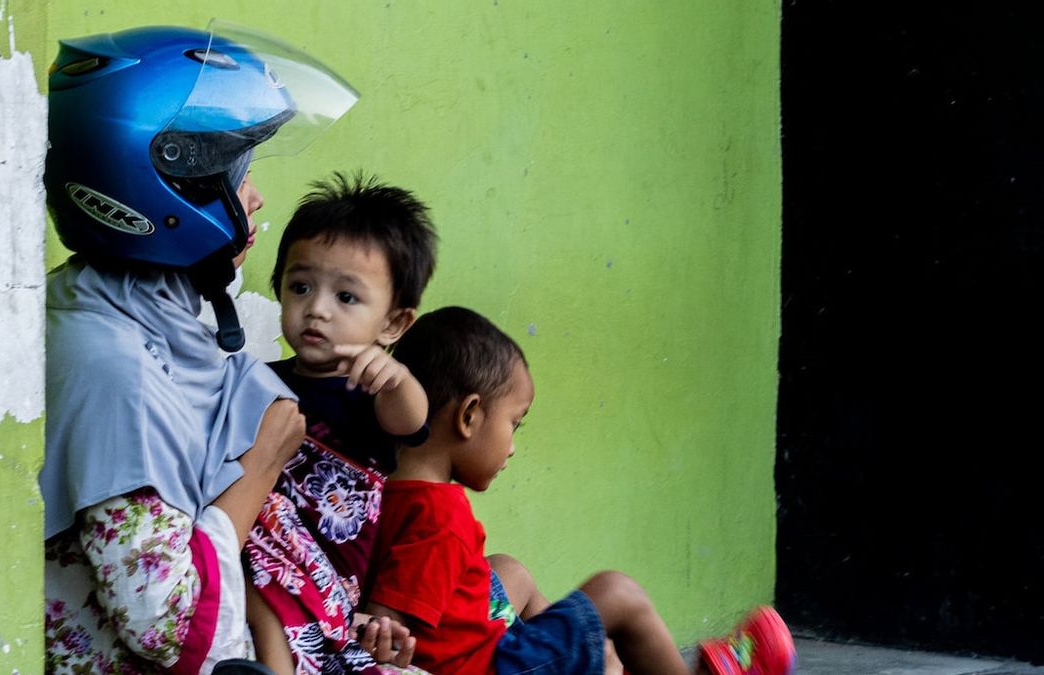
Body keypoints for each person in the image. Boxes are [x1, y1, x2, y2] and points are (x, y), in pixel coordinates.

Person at [39, 23, 359, 674]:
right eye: (237, 174)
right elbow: (172, 628)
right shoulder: (110, 363)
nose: (256, 196)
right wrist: (258, 468)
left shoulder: (142, 308)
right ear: (169, 190)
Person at [364, 307, 799, 675]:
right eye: (513, 425)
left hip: (472, 644)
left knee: (508, 569)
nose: (512, 447)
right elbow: (392, 619)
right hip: (492, 666)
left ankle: (589, 656)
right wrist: (382, 632)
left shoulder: (386, 486)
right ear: (469, 416)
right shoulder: (439, 516)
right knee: (618, 592)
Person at [243, 172, 438, 675]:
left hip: (332, 583)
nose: (317, 310)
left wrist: (394, 379)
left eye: (346, 297)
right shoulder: (257, 381)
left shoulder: (374, 394)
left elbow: (412, 420)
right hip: (262, 568)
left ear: (393, 324)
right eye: (301, 286)